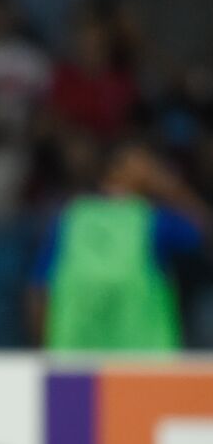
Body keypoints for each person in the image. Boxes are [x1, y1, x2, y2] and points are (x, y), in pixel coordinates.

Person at [31, 146, 211, 351]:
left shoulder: (71, 218)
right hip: (140, 365)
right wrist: (170, 188)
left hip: (76, 364)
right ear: (116, 169)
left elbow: (38, 291)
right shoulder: (153, 222)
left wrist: (42, 348)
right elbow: (203, 228)